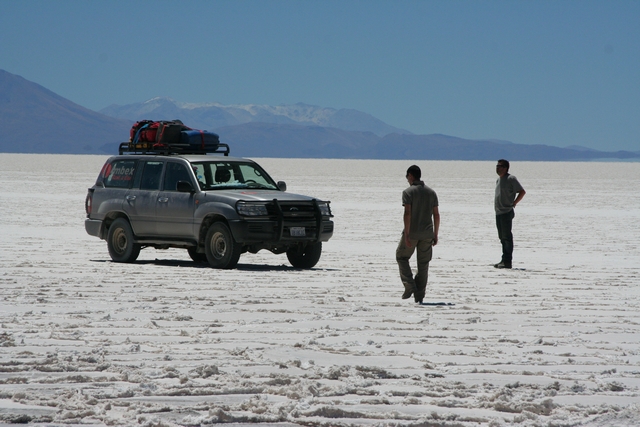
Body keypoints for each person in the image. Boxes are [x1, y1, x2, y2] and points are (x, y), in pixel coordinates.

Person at [396, 165, 440, 304]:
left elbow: (407, 213)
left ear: (410, 175)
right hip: (427, 233)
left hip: (413, 233)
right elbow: (436, 215)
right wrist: (435, 233)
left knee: (401, 257)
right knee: (423, 264)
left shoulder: (408, 192)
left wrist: (407, 234)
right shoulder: (431, 192)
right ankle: (419, 296)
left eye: (407, 176)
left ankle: (409, 285)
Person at [494, 159, 526, 269]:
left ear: (506, 168)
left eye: (500, 166)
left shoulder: (510, 178)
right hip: (499, 212)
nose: (497, 168)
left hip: (506, 212)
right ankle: (503, 259)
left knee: (507, 237)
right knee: (502, 237)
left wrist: (515, 203)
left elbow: (522, 191)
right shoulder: (499, 180)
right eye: (497, 166)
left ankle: (507, 262)